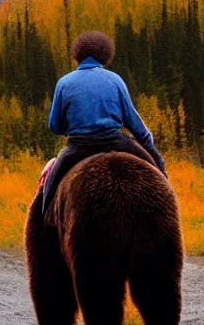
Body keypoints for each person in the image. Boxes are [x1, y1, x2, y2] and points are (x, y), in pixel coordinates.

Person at [40, 31, 167, 225]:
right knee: (157, 170)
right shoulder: (115, 79)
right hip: (115, 140)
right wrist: (148, 144)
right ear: (104, 54)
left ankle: (47, 217)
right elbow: (132, 120)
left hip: (78, 146)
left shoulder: (64, 83)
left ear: (78, 55)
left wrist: (72, 124)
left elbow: (55, 125)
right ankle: (168, 202)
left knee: (52, 181)